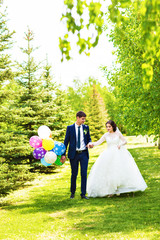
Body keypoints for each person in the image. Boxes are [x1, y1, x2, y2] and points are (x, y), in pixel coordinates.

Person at [86, 120, 147, 197]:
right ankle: (110, 190)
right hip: (108, 154)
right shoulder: (105, 135)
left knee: (119, 170)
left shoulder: (118, 133)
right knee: (108, 171)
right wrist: (91, 144)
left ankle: (121, 188)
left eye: (109, 126)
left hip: (118, 153)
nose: (108, 128)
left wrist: (120, 145)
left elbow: (125, 141)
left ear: (113, 126)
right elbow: (98, 142)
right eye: (107, 127)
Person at [61, 111, 92, 199]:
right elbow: (66, 142)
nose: (84, 121)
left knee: (84, 174)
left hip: (84, 154)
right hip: (73, 155)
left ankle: (83, 194)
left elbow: (89, 138)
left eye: (84, 119)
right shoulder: (70, 128)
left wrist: (89, 143)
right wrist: (63, 154)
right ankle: (72, 193)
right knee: (74, 174)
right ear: (77, 118)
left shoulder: (86, 127)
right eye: (82, 119)